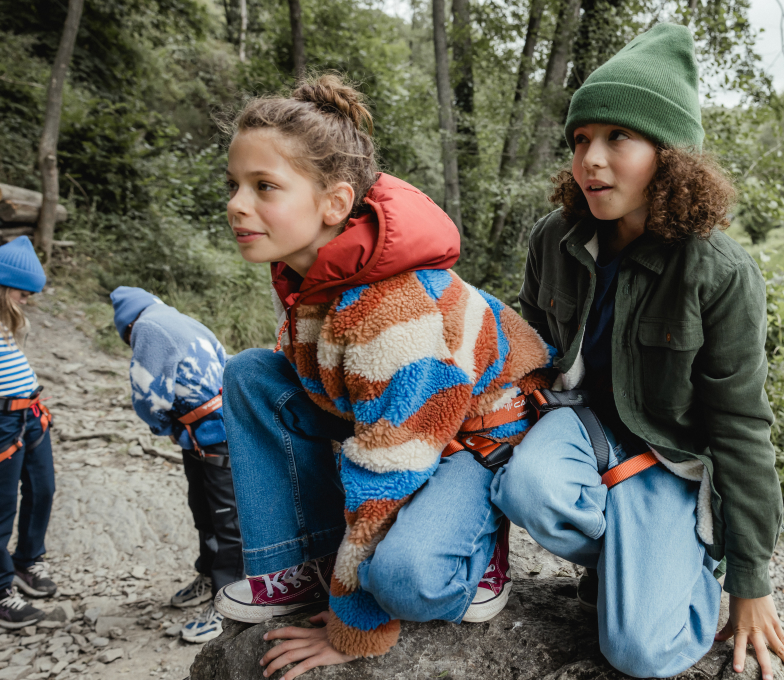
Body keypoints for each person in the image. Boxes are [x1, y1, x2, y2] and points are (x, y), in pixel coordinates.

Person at [489, 24, 784, 680]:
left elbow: (742, 428)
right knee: (526, 487)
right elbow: (533, 336)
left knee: (642, 653)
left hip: (670, 460)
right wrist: (525, 374)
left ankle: (685, 561)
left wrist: (751, 583)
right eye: (580, 140)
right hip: (584, 430)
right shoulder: (556, 236)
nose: (590, 160)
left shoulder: (719, 272)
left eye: (617, 138)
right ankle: (621, 562)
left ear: (671, 154)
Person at [213, 72, 554, 678]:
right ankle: (300, 563)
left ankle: (478, 550)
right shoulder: (310, 274)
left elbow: (383, 478)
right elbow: (327, 383)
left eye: (264, 186)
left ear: (335, 204)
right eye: (235, 184)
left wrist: (354, 629)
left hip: (475, 437)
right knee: (250, 374)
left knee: (406, 579)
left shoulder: (391, 313)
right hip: (401, 429)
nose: (237, 204)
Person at [110, 286, 243, 644]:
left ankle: (230, 601)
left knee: (224, 516)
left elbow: (146, 394)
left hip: (213, 432)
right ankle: (209, 575)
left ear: (126, 327)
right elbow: (225, 360)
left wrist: (163, 426)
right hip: (207, 429)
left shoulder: (148, 329)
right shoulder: (180, 319)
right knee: (204, 507)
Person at [0, 236, 57, 629]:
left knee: (43, 489)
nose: (27, 300)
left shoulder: (5, 316)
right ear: (2, 284)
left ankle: (26, 561)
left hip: (31, 415)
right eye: (23, 293)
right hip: (0, 423)